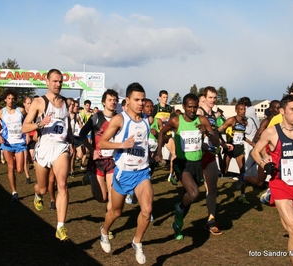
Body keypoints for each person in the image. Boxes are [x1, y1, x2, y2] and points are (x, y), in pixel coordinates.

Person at [251, 95, 293, 266]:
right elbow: (255, 152)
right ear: (282, 111)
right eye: (292, 110)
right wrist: (265, 166)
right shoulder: (272, 132)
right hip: (281, 186)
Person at [98, 82, 152, 264]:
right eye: (136, 100)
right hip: (123, 173)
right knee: (116, 212)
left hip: (142, 172)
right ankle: (104, 232)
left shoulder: (146, 119)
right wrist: (122, 145)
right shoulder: (119, 119)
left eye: (142, 100)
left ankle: (137, 242)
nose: (140, 103)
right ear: (127, 100)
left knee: (147, 210)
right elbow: (102, 143)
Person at [155, 93, 221, 240]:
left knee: (189, 198)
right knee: (193, 193)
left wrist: (207, 134)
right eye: (189, 107)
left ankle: (177, 224)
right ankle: (179, 210)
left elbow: (217, 143)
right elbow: (161, 132)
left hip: (197, 164)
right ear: (184, 107)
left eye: (195, 107)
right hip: (183, 164)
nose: (192, 110)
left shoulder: (202, 120)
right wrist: (159, 151)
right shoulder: (176, 121)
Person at [22, 69, 73, 241]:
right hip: (43, 148)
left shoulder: (66, 103)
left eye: (60, 81)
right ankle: (38, 193)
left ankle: (60, 226)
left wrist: (71, 141)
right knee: (43, 187)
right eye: (55, 81)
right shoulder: (38, 102)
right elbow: (24, 127)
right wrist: (39, 123)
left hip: (60, 148)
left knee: (62, 184)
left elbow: (68, 125)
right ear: (47, 82)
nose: (58, 84)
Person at [79, 89, 118, 237]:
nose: (113, 102)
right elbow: (82, 134)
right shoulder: (96, 118)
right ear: (103, 102)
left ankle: (106, 227)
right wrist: (91, 149)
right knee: (101, 197)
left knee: (113, 197)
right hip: (98, 161)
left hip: (113, 161)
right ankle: (90, 178)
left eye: (115, 100)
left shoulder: (120, 118)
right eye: (110, 100)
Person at [196, 86, 231, 235]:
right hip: (196, 154)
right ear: (204, 97)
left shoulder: (213, 115)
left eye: (215, 98)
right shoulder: (199, 112)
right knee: (191, 191)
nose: (212, 100)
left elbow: (214, 132)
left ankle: (211, 220)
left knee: (212, 188)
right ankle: (179, 213)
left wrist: (222, 143)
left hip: (210, 153)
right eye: (210, 97)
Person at [0, 89, 27, 202]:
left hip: (20, 142)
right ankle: (14, 192)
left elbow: (28, 122)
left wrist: (28, 133)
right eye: (9, 98)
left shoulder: (21, 110)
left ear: (15, 100)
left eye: (13, 98)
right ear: (5, 100)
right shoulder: (1, 112)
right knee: (10, 167)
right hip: (7, 143)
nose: (11, 101)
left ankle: (15, 158)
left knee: (20, 169)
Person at [218, 103, 252, 204]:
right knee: (224, 171)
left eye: (244, 109)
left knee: (243, 172)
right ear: (236, 110)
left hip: (239, 148)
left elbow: (242, 135)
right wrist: (223, 143)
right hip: (230, 148)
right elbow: (218, 130)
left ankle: (243, 195)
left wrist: (251, 143)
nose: (243, 111)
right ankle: (219, 155)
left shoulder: (244, 122)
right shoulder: (231, 120)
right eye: (241, 109)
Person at [243, 100, 280, 188]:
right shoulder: (267, 121)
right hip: (266, 153)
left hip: (276, 153)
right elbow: (256, 137)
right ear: (271, 109)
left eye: (280, 108)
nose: (279, 110)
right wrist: (269, 140)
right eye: (277, 108)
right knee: (260, 183)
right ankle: (244, 178)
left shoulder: (281, 120)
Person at [69, 100, 84, 177]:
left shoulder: (77, 115)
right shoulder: (66, 115)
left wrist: (81, 124)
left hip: (75, 136)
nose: (77, 107)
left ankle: (69, 168)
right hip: (68, 138)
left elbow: (80, 123)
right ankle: (72, 171)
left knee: (80, 155)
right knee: (72, 155)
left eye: (78, 106)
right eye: (75, 106)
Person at [23, 96, 33, 184]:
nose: (30, 105)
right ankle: (27, 177)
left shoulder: (34, 113)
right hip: (23, 138)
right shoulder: (22, 114)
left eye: (31, 103)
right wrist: (27, 134)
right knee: (25, 158)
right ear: (24, 104)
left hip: (34, 138)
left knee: (32, 157)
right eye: (28, 103)